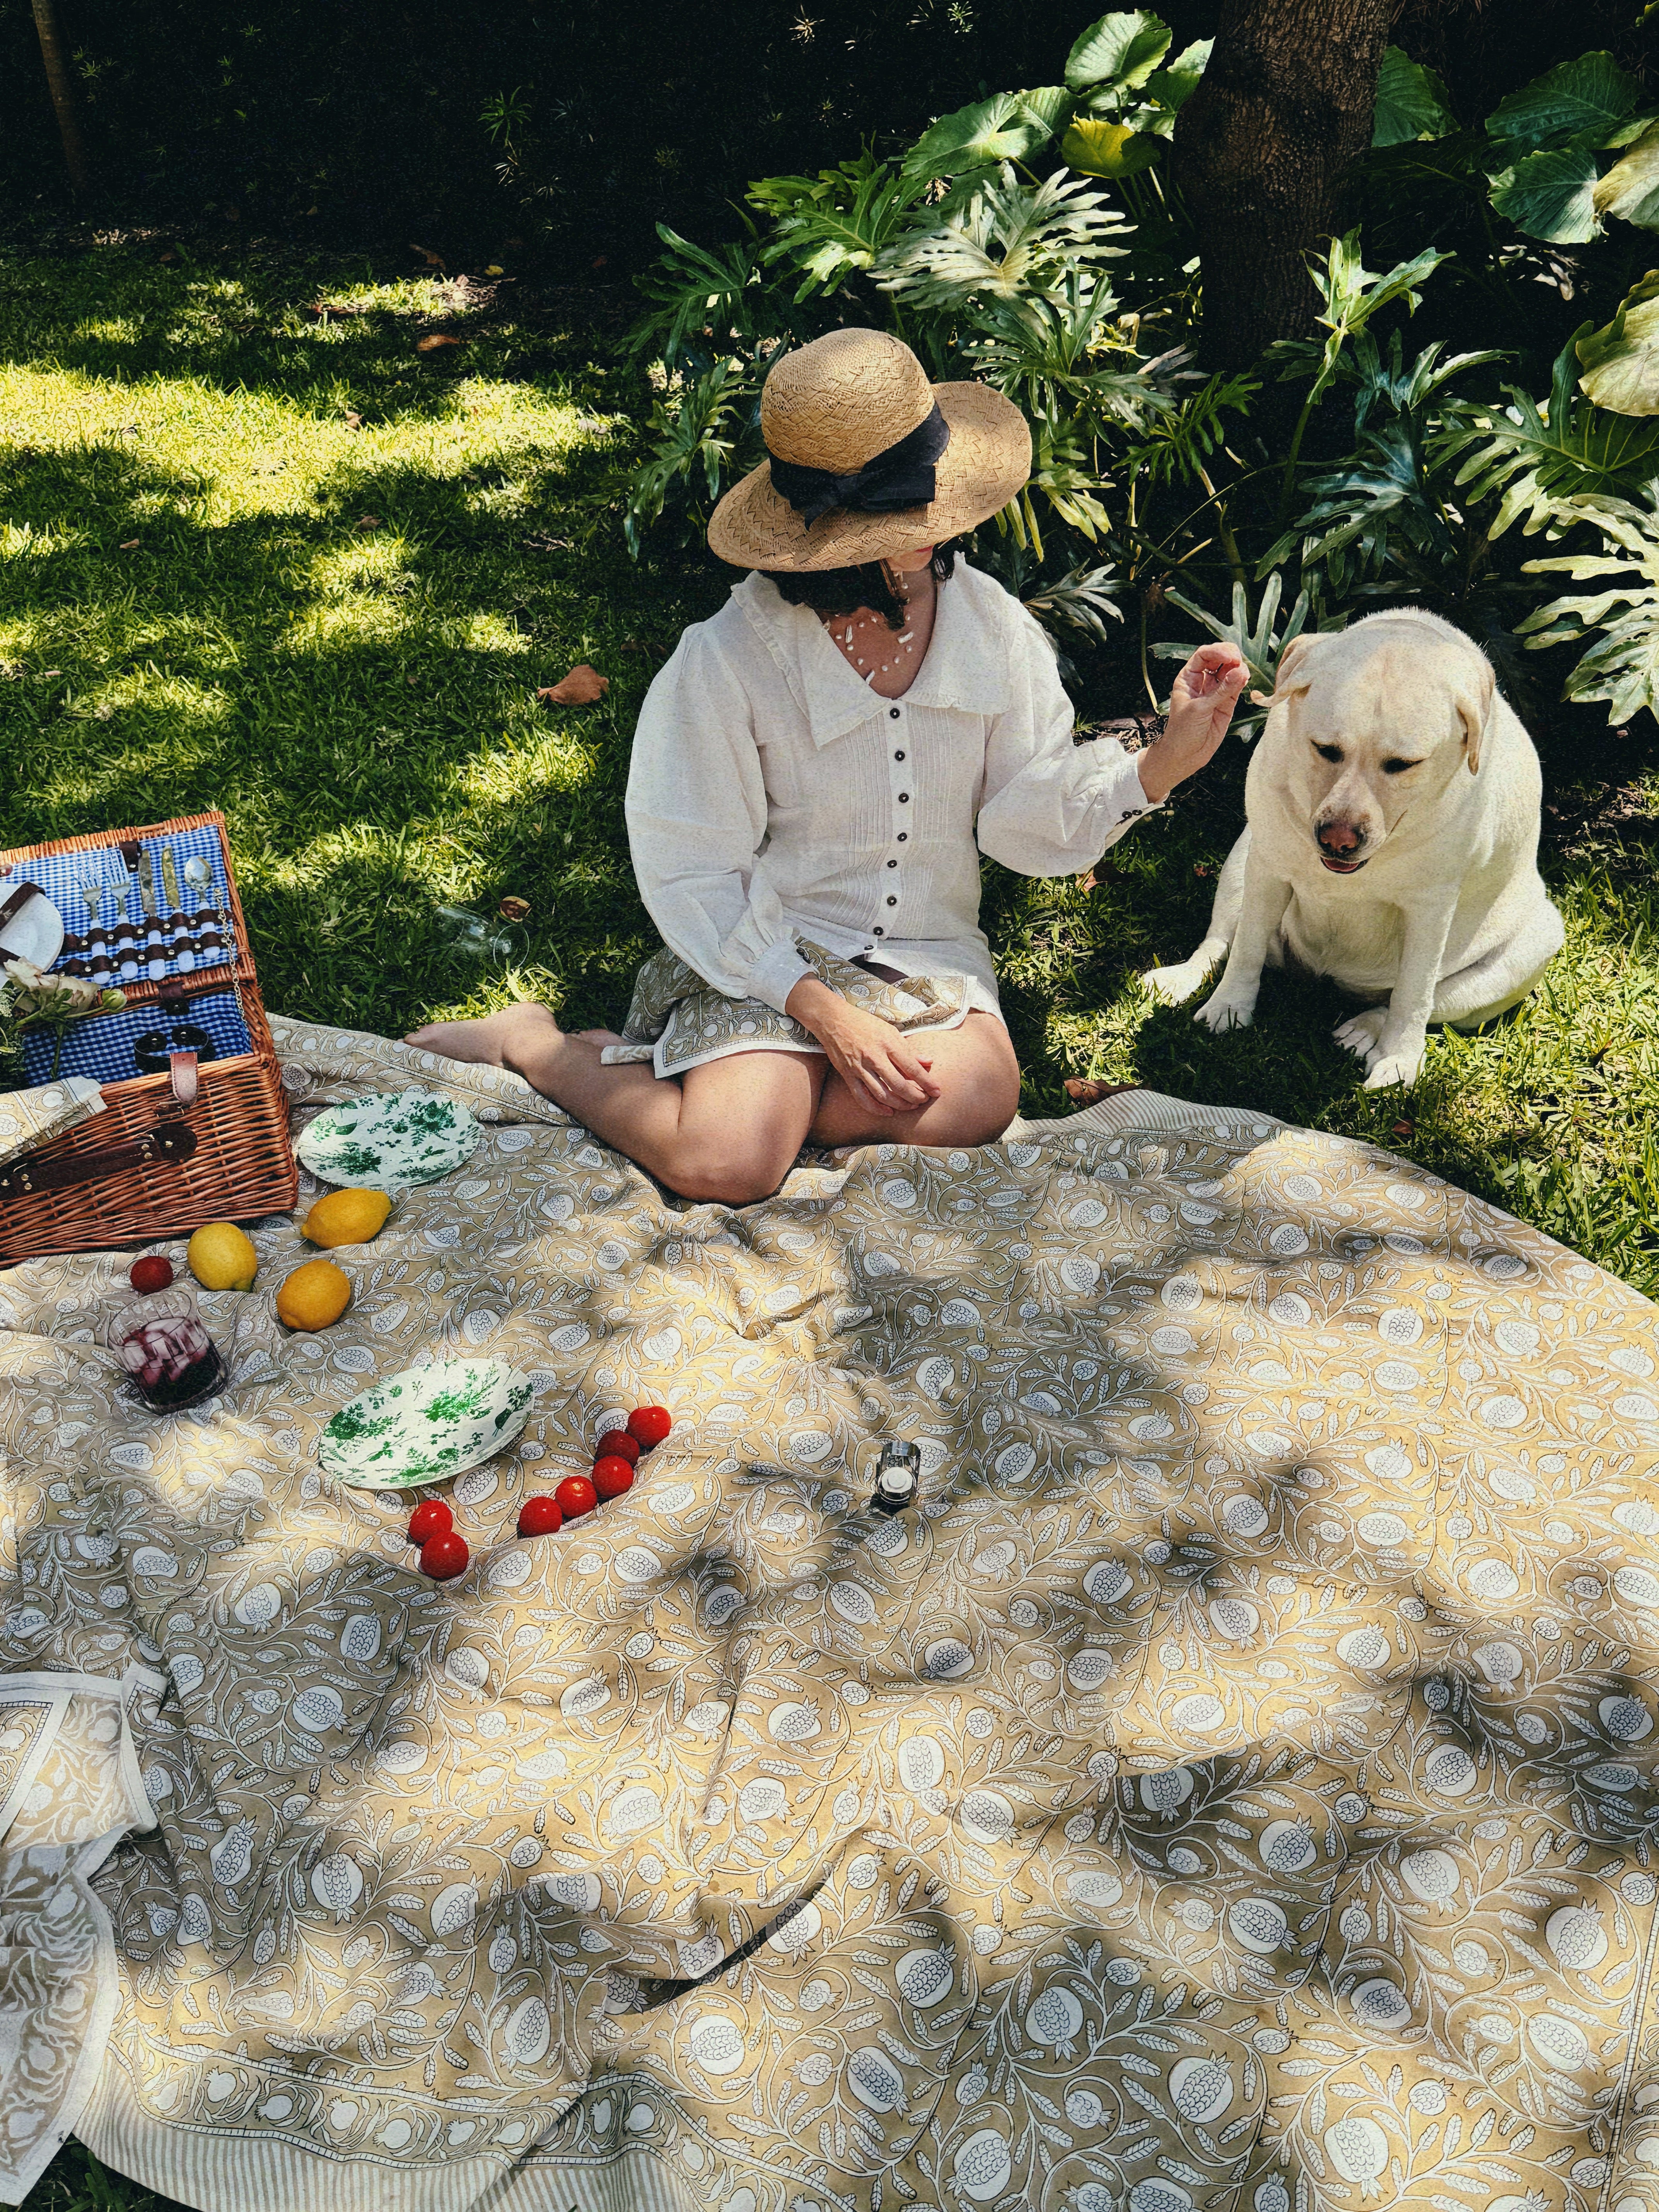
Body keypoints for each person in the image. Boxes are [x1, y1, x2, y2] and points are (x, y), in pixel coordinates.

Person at [407, 328, 1246, 1202]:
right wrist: (821, 1014)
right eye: (893, 523)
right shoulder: (731, 657)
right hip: (772, 947)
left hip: (927, 951)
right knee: (725, 1165)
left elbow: (1019, 822)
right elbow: (693, 864)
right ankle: (536, 1044)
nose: (931, 530)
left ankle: (720, 1093)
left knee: (980, 1098)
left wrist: (1161, 763)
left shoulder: (991, 626)